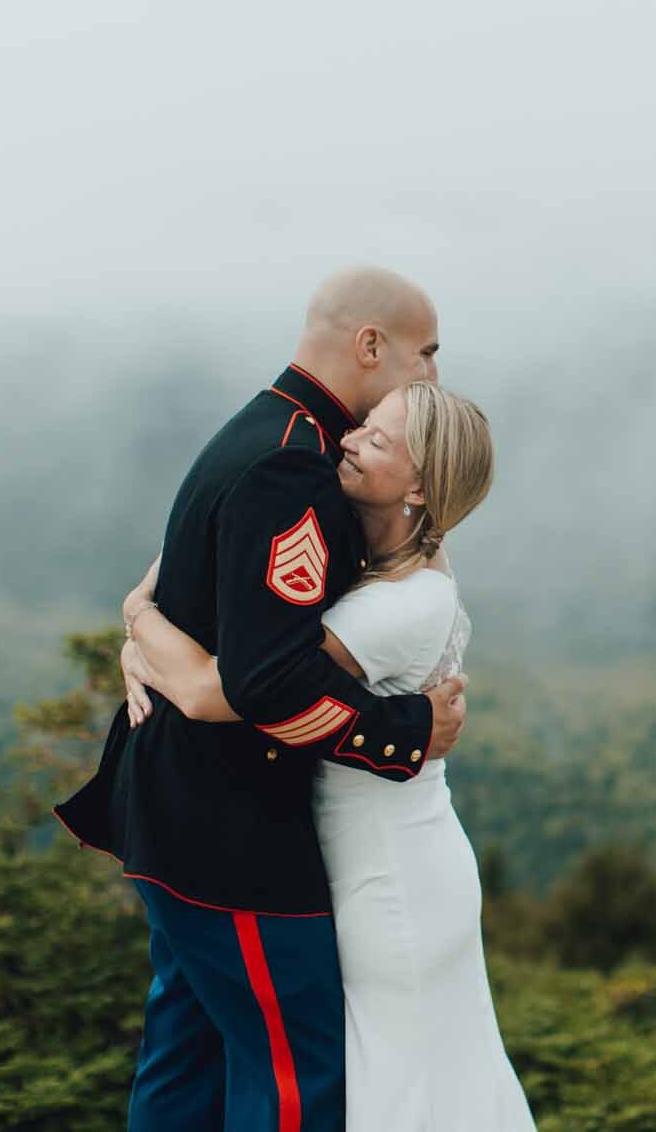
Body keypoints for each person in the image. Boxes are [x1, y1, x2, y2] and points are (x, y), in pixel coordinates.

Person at [54, 266, 470, 1131]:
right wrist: (408, 730)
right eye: (424, 354)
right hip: (228, 827)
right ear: (370, 346)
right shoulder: (295, 465)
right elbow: (268, 680)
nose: (431, 373)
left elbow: (183, 593)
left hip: (174, 815)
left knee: (187, 1058)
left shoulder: (260, 428)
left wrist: (138, 620)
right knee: (293, 1073)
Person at [123, 379, 534, 1132]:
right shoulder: (362, 551)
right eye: (364, 424)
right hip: (363, 855)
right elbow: (208, 567)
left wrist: (138, 614)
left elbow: (226, 690)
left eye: (376, 440)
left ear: (418, 484)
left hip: (391, 877)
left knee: (397, 1089)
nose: (346, 439)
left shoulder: (400, 604)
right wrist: (143, 625)